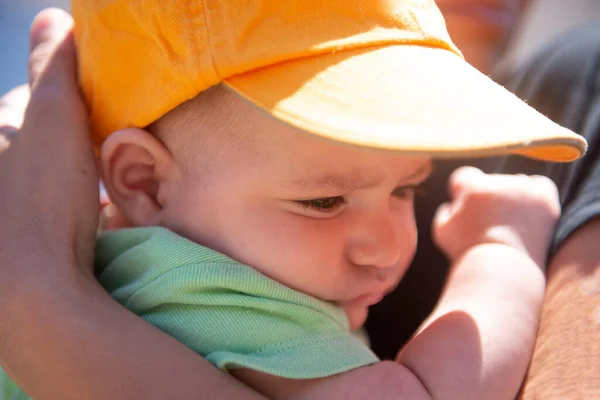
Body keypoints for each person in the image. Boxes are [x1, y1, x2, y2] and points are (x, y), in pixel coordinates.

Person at [0, 5, 598, 400]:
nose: (390, 247)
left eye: (405, 188)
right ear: (144, 182)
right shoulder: (195, 287)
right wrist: (503, 251)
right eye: (325, 201)